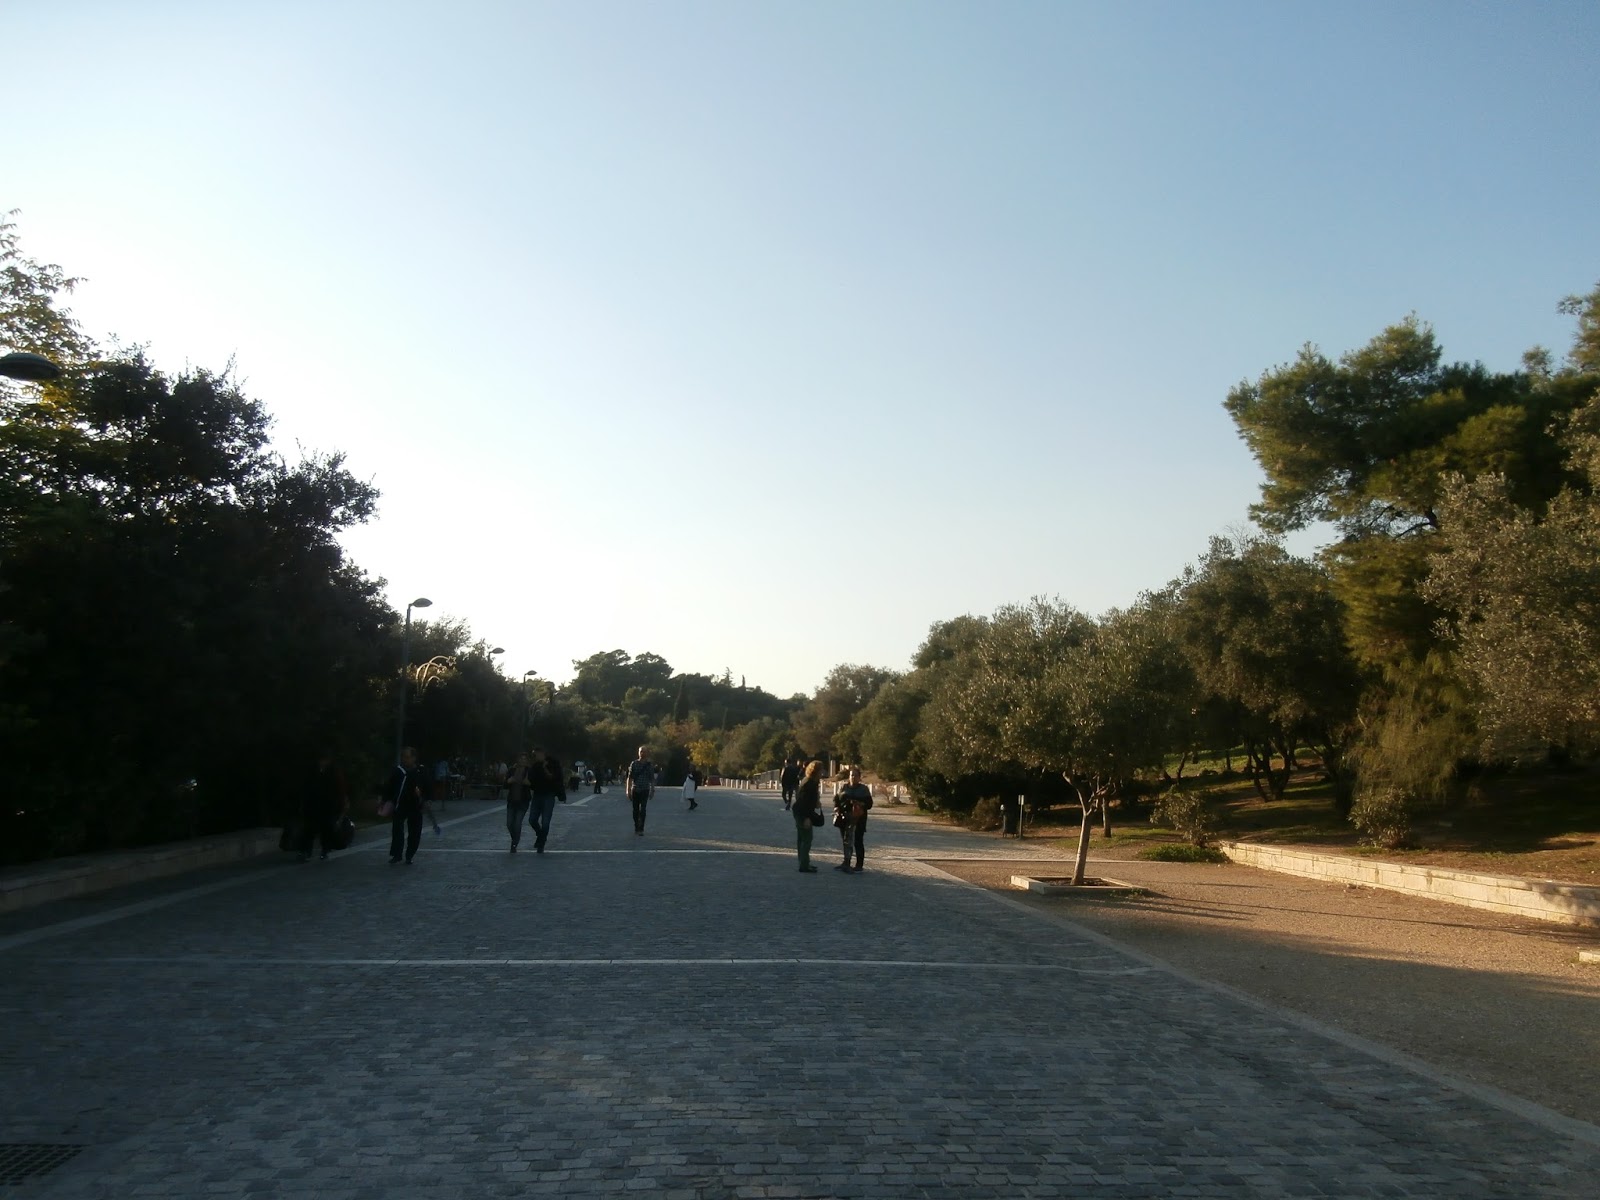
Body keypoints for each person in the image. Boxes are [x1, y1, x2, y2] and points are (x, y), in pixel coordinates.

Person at [298, 749, 347, 861]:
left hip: (328, 806)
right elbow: (306, 787)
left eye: (325, 760)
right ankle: (306, 851)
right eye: (321, 760)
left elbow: (339, 790)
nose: (322, 763)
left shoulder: (334, 772)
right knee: (309, 828)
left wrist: (340, 806)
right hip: (313, 805)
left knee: (326, 829)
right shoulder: (312, 771)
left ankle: (325, 850)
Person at [387, 746, 429, 864]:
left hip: (415, 805)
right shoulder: (398, 771)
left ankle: (409, 855)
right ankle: (397, 854)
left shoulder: (421, 771)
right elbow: (390, 787)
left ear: (414, 758)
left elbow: (427, 786)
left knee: (415, 832)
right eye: (403, 757)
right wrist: (386, 800)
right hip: (400, 804)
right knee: (397, 829)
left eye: (407, 757)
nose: (405, 759)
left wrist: (426, 799)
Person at [833, 765, 874, 872]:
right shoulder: (844, 787)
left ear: (859, 777)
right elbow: (836, 799)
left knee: (858, 841)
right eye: (851, 775)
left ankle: (859, 864)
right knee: (846, 840)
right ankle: (846, 862)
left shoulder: (863, 789)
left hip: (858, 818)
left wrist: (858, 803)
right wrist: (837, 807)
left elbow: (869, 804)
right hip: (844, 818)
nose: (853, 777)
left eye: (855, 776)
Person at [528, 748, 563, 853]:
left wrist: (545, 768)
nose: (536, 756)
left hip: (549, 795)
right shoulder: (535, 766)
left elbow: (554, 778)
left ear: (543, 753)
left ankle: (541, 843)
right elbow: (531, 780)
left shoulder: (553, 764)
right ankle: (541, 836)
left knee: (545, 822)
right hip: (537, 794)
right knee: (532, 819)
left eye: (537, 754)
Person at [792, 760, 823, 873]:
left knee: (801, 839)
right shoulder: (810, 784)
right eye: (821, 770)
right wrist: (806, 818)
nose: (822, 773)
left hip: (799, 811)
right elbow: (805, 802)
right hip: (803, 813)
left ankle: (803, 862)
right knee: (807, 839)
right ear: (816, 771)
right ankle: (804, 865)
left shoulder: (808, 781)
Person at [504, 752, 535, 852]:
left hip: (523, 801)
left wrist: (529, 783)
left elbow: (535, 784)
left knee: (517, 823)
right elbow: (505, 784)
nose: (522, 761)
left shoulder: (529, 771)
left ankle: (514, 844)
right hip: (512, 800)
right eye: (521, 759)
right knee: (509, 824)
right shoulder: (512, 770)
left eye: (524, 759)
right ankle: (515, 839)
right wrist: (509, 781)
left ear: (527, 761)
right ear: (517, 759)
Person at [624, 745, 655, 836]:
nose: (642, 753)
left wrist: (652, 790)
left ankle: (641, 828)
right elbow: (629, 778)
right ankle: (636, 826)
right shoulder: (634, 764)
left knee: (643, 809)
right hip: (635, 789)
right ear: (638, 753)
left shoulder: (649, 765)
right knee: (635, 810)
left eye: (644, 751)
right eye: (641, 751)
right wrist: (628, 790)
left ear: (647, 753)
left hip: (645, 789)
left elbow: (652, 779)